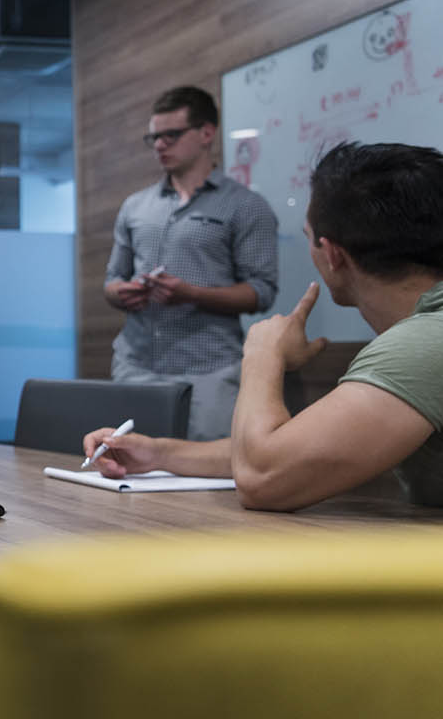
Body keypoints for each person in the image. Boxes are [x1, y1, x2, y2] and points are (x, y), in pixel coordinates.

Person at [84, 142, 443, 512]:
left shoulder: (424, 344)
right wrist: (158, 453)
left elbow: (263, 477)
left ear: (332, 254)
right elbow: (303, 447)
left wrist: (262, 353)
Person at [103, 85, 279, 441]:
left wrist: (191, 294)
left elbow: (262, 292)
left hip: (210, 371)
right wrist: (123, 293)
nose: (159, 146)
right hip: (136, 366)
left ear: (206, 133)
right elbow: (111, 281)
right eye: (153, 137)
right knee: (126, 478)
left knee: (208, 483)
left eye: (170, 135)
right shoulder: (135, 206)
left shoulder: (245, 206)